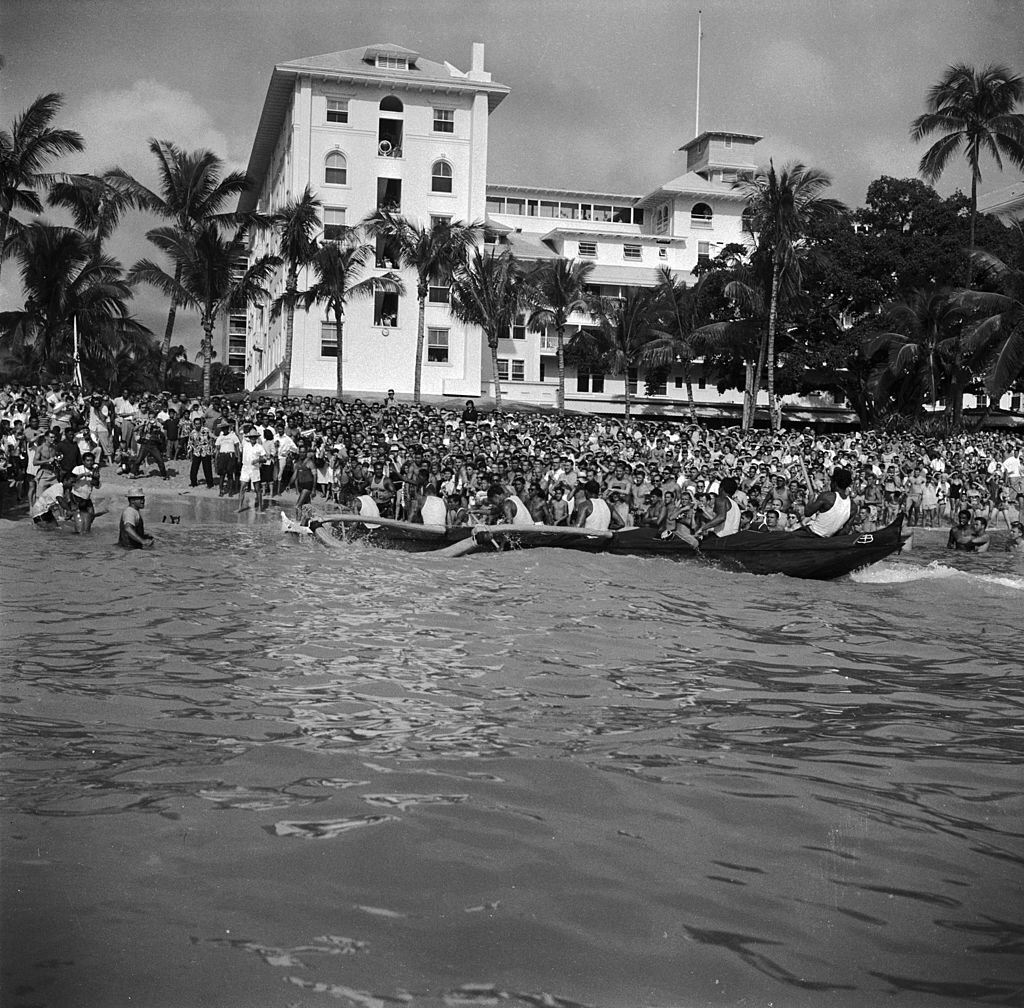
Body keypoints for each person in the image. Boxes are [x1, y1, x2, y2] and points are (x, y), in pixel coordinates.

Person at [801, 468, 856, 537]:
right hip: (827, 540)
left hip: (810, 533)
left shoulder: (827, 496)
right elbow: (846, 530)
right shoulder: (853, 506)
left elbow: (807, 513)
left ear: (834, 483)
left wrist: (811, 498)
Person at [238, 429, 266, 512]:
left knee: (257, 488)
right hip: (245, 468)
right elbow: (238, 434)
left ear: (256, 438)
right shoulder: (245, 444)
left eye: (254, 437)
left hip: (255, 469)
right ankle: (240, 507)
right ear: (249, 438)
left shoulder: (259, 447)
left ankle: (260, 507)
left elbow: (265, 458)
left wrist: (258, 460)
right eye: (251, 437)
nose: (253, 438)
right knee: (242, 487)